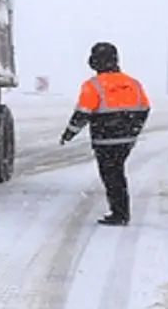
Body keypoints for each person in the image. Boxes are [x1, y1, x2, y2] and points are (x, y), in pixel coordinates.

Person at [60, 42, 152, 226]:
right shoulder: (133, 83)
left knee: (111, 175)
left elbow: (82, 113)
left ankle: (120, 213)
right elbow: (144, 108)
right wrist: (134, 130)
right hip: (126, 139)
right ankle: (121, 211)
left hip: (104, 140)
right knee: (117, 172)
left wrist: (69, 133)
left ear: (94, 62)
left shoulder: (92, 85)